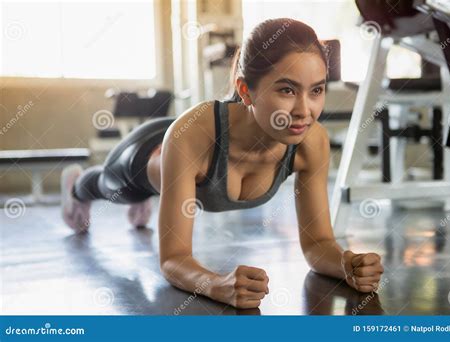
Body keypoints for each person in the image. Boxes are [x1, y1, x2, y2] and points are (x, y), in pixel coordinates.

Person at [61, 18, 384, 309]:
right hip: (146, 156)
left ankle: (151, 205)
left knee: (156, 196)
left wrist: (346, 263)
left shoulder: (311, 141)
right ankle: (75, 184)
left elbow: (318, 244)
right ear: (245, 90)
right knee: (107, 186)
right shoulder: (192, 137)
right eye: (287, 90)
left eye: (316, 90)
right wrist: (219, 285)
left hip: (185, 147)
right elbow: (173, 259)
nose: (304, 110)